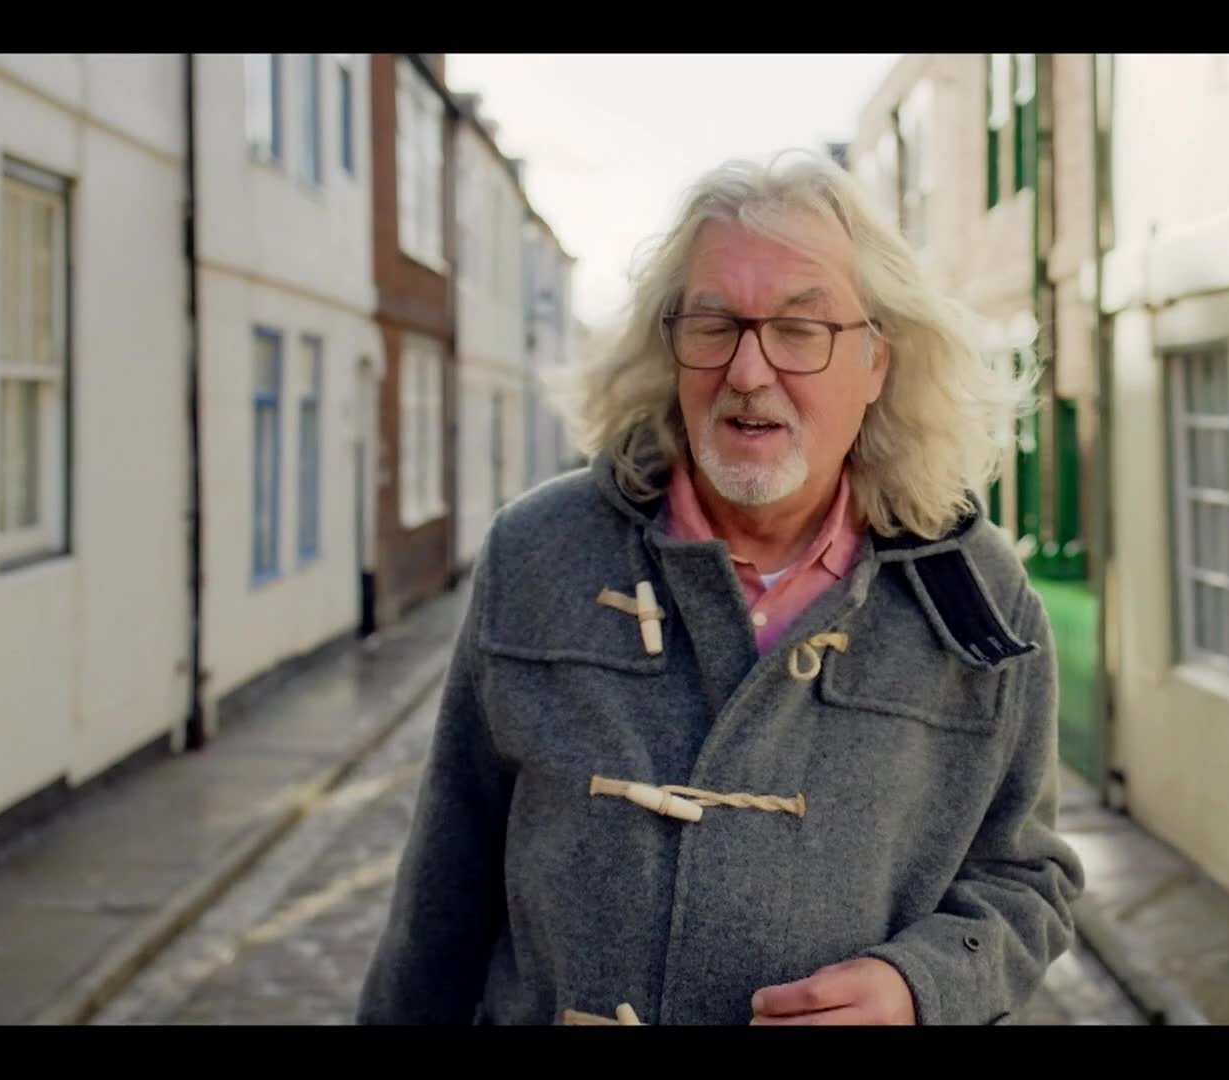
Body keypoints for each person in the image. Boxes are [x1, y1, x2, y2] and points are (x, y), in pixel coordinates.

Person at [357, 150, 1085, 1026]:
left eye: (799, 329)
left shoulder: (978, 601)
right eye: (713, 325)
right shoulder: (538, 553)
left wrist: (919, 987)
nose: (747, 371)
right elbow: (443, 891)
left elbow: (1026, 876)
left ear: (877, 362)